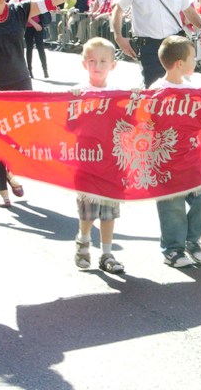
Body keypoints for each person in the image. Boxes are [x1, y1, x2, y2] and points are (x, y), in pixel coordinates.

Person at [0, 0, 108, 207]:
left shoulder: (20, 10)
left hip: (19, 83)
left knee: (19, 135)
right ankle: (2, 189)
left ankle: (10, 170)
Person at [149, 35, 201, 267]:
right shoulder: (156, 90)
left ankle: (191, 239)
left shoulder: (193, 89)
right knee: (172, 205)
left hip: (191, 157)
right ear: (179, 64)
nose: (196, 61)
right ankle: (173, 249)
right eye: (193, 57)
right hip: (166, 160)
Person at [70, 38, 124, 274]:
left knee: (109, 211)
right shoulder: (78, 92)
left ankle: (107, 253)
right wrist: (73, 103)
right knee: (88, 211)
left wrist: (133, 100)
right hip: (87, 161)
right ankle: (83, 241)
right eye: (92, 61)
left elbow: (128, 124)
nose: (97, 66)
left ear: (113, 65)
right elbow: (69, 127)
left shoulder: (118, 93)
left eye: (103, 61)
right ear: (84, 64)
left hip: (111, 162)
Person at [19, 0, 53, 78]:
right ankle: (29, 70)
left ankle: (45, 70)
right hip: (28, 26)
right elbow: (25, 14)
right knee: (29, 48)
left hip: (39, 24)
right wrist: (34, 24)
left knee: (40, 47)